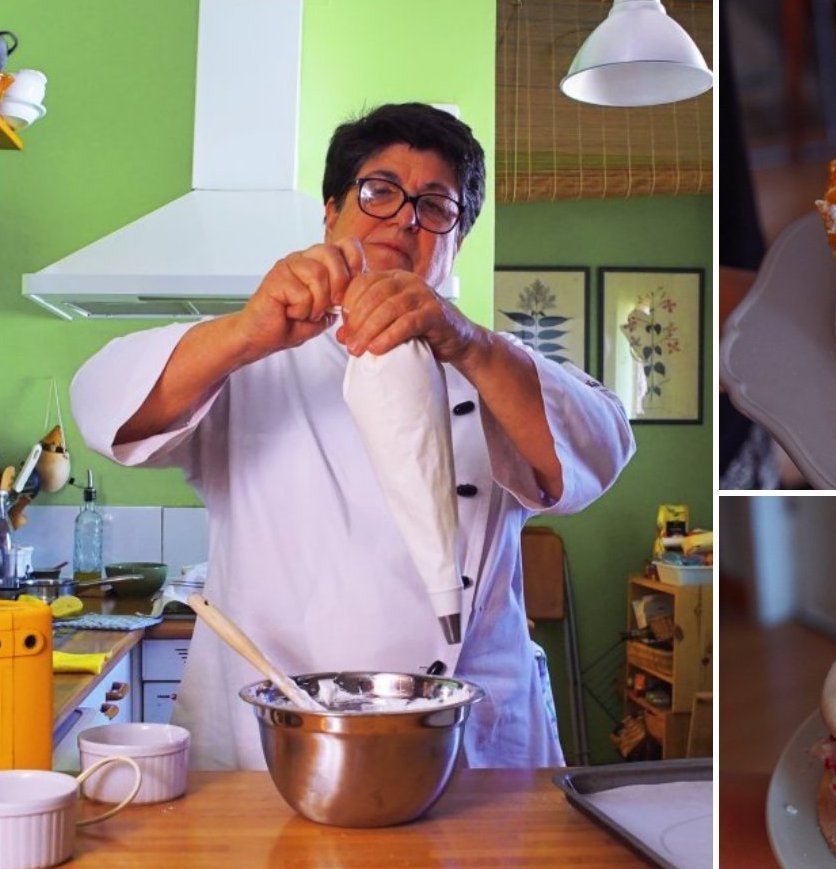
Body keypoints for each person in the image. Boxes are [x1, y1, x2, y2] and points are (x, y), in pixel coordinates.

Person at [71, 103, 635, 770]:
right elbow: (101, 404)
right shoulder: (252, 358)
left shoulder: (489, 363)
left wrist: (464, 340)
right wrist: (247, 331)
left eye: (436, 205)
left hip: (469, 747)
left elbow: (599, 451)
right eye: (379, 190)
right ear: (330, 212)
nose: (405, 217)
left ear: (456, 241)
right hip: (271, 745)